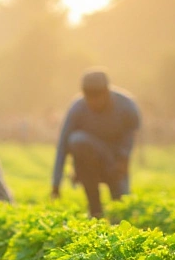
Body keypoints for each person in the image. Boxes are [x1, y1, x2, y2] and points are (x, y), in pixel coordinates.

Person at [51, 70, 141, 218]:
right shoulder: (77, 108)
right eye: (88, 97)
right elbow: (62, 146)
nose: (92, 102)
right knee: (77, 140)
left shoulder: (126, 106)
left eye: (97, 97)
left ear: (106, 92)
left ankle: (119, 217)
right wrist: (56, 184)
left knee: (122, 206)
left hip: (115, 159)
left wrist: (123, 159)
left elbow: (130, 135)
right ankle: (95, 211)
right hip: (89, 163)